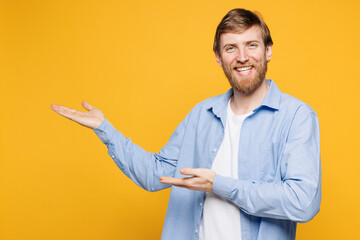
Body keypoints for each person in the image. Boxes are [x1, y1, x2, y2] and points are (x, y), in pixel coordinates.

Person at [51, 8, 321, 240]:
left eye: (251, 45)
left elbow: (302, 201)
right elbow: (156, 174)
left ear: (268, 50)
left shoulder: (296, 116)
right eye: (231, 48)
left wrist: (218, 184)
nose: (242, 57)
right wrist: (104, 128)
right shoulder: (202, 114)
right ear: (218, 56)